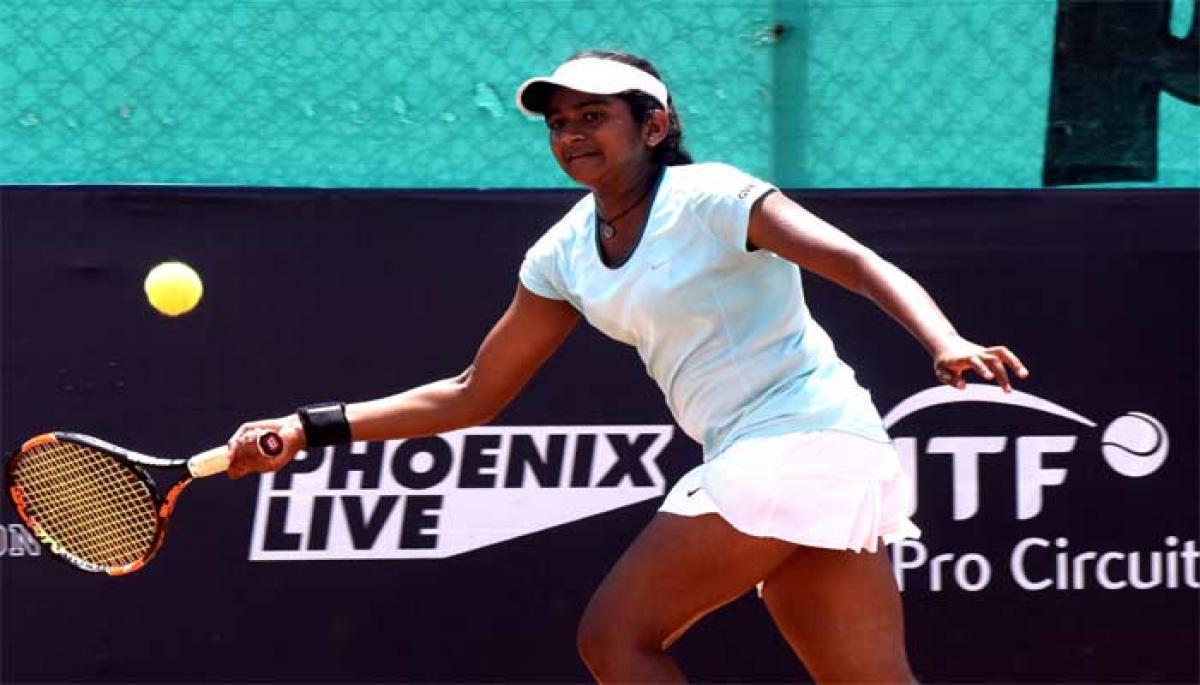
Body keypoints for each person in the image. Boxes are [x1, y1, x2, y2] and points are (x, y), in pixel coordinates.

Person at [226, 50, 1028, 683]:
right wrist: (309, 427)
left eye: (594, 116)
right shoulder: (563, 254)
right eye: (559, 121)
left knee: (615, 637)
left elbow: (854, 261)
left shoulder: (714, 196)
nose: (572, 132)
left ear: (653, 126)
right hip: (817, 455)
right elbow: (475, 392)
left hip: (800, 441)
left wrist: (942, 339)